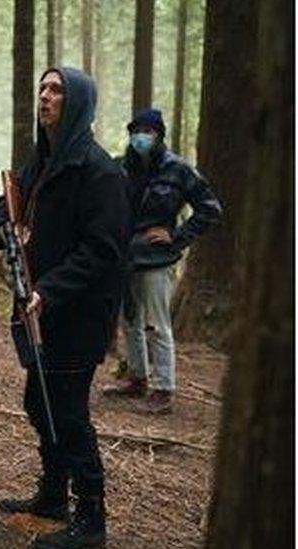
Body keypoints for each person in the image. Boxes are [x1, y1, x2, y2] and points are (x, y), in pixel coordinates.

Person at [0, 67, 129, 548]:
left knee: (68, 411)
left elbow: (102, 249)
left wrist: (49, 290)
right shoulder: (41, 161)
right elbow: (7, 208)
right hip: (38, 313)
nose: (45, 97)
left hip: (77, 315)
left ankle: (91, 520)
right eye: (43, 88)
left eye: (57, 91)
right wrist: (6, 231)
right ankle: (53, 496)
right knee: (38, 401)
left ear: (78, 104)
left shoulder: (100, 172)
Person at [102, 109, 222, 414]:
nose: (141, 137)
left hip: (157, 259)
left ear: (159, 135)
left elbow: (210, 209)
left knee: (157, 324)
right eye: (136, 131)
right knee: (129, 321)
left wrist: (178, 235)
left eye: (148, 131)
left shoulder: (178, 169)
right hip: (125, 257)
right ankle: (136, 378)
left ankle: (164, 388)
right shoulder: (121, 167)